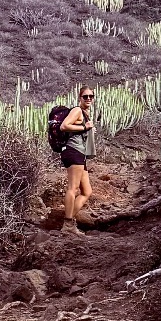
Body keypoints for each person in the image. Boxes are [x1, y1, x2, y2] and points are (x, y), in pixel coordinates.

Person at [58, 88, 96, 228]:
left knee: (87, 191)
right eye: (85, 96)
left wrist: (87, 129)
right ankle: (67, 224)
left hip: (80, 153)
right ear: (80, 97)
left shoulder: (85, 114)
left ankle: (66, 221)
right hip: (73, 151)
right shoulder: (77, 110)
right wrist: (84, 127)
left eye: (91, 96)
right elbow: (64, 126)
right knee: (72, 188)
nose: (88, 98)